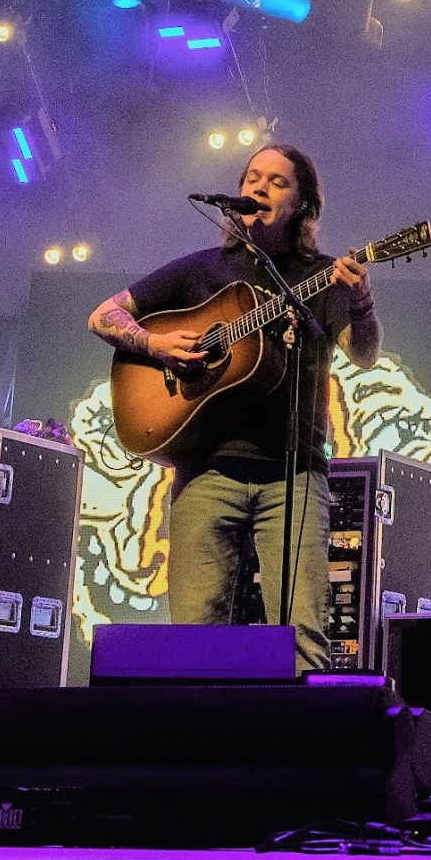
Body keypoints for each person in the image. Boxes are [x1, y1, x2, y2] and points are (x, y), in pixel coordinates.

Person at [85, 144, 376, 669]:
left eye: (277, 182)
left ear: (303, 205)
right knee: (195, 638)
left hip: (294, 475)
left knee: (302, 637)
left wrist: (362, 304)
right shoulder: (199, 270)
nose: (259, 187)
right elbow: (104, 315)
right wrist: (155, 345)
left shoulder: (326, 275)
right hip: (205, 473)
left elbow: (364, 353)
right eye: (251, 177)